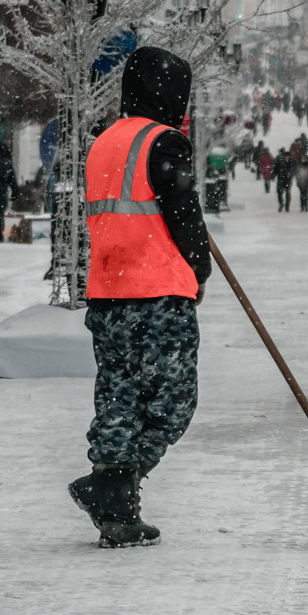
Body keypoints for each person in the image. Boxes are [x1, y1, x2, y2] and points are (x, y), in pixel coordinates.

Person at [73, 47, 210, 549]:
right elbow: (183, 213)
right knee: (173, 399)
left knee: (119, 396)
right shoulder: (165, 141)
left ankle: (117, 511)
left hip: (108, 292)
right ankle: (110, 490)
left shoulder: (103, 142)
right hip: (158, 291)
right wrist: (199, 267)